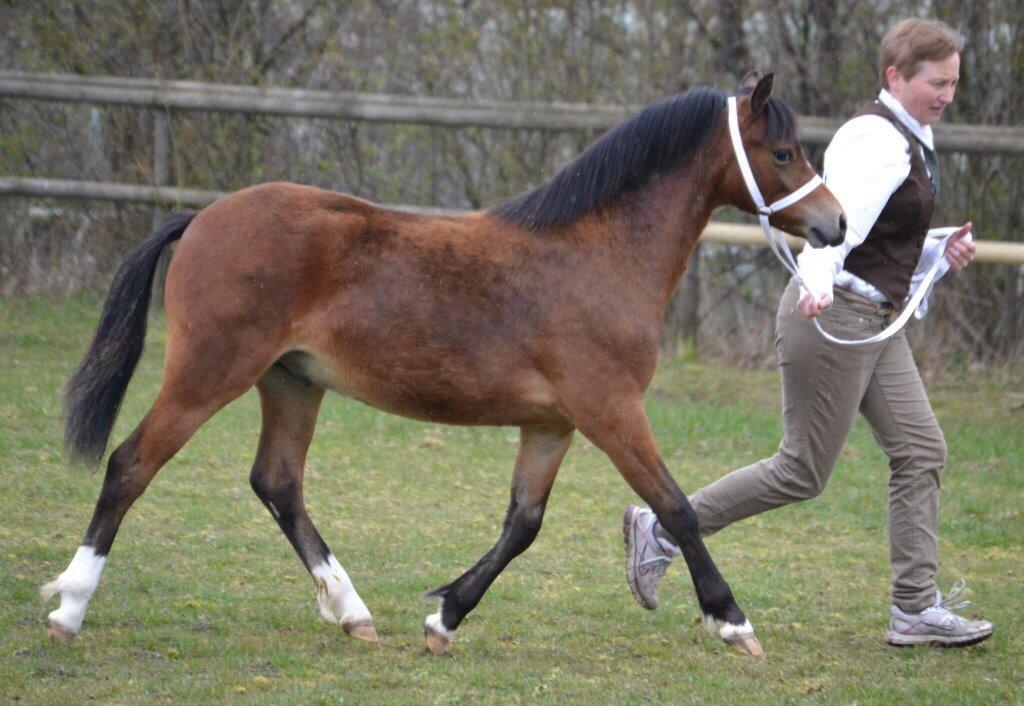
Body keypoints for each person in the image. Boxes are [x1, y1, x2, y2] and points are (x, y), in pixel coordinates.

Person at [623, 18, 992, 647]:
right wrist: (817, 283)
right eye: (938, 83)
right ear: (896, 75)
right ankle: (660, 529)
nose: (948, 95)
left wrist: (935, 247)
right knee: (802, 470)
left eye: (954, 83)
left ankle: (914, 608)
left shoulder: (911, 135)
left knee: (921, 450)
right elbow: (831, 232)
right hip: (834, 317)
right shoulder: (877, 142)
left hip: (876, 323)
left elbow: (872, 232)